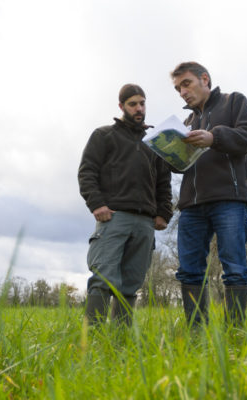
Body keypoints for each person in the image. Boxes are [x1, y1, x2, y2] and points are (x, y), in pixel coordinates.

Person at [170, 62, 247, 326]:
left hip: (229, 200)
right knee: (188, 271)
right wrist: (169, 153)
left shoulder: (234, 102)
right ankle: (197, 333)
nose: (183, 92)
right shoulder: (186, 123)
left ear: (204, 79)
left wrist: (214, 137)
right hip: (191, 205)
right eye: (178, 89)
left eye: (186, 84)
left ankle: (235, 332)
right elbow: (182, 165)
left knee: (234, 268)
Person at [78, 84, 173, 326]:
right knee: (103, 279)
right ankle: (95, 340)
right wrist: (96, 204)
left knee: (131, 284)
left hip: (145, 222)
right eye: (133, 104)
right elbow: (87, 172)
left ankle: (121, 340)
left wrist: (163, 212)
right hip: (113, 217)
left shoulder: (155, 142)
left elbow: (164, 181)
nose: (139, 108)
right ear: (121, 106)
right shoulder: (104, 135)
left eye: (142, 103)